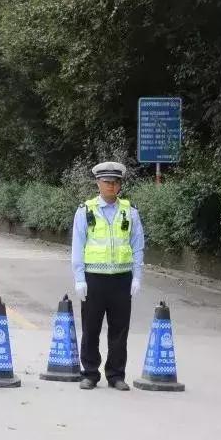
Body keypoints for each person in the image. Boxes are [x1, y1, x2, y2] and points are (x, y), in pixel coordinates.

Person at [71, 161, 145, 391]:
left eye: (115, 182)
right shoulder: (85, 211)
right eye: (106, 182)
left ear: (120, 184)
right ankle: (90, 373)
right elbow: (78, 246)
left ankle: (116, 375)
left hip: (121, 278)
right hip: (94, 279)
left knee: (119, 329)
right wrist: (79, 278)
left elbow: (137, 245)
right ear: (98, 183)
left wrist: (137, 276)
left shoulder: (130, 212)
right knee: (91, 328)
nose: (111, 186)